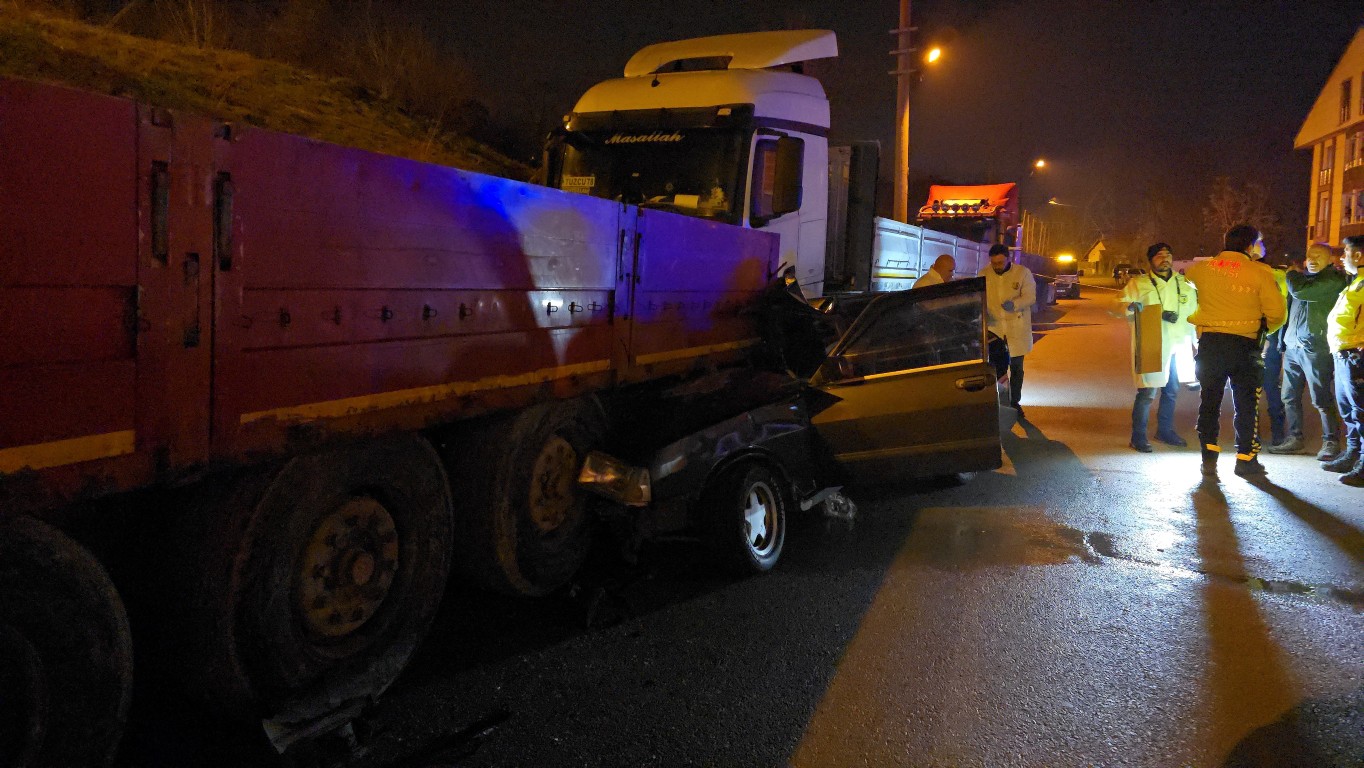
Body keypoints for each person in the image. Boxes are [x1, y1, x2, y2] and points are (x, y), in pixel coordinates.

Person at [1185, 225, 1287, 477]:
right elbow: (1277, 314)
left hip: (1210, 345)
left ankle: (1208, 458)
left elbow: (1189, 281)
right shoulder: (1261, 273)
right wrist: (1262, 330)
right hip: (1245, 346)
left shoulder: (1200, 269)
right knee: (1246, 404)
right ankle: (1245, 459)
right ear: (1250, 246)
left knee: (1209, 401)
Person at [1265, 243, 1347, 458]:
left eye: (1318, 256)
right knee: (1288, 396)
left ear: (1330, 260)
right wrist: (1283, 341)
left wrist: (1291, 273)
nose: (1312, 259)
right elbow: (1289, 311)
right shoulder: (1304, 279)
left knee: (1321, 397)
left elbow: (1300, 292)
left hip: (1316, 348)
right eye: (1310, 256)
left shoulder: (1332, 280)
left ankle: (1331, 441)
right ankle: (1294, 438)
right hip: (1293, 346)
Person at [1120, 243, 1198, 452]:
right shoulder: (1139, 284)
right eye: (1159, 256)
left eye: (1168, 255)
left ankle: (1165, 431)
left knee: (1172, 390)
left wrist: (1198, 344)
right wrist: (1139, 309)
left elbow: (1194, 314)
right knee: (1147, 392)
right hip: (1151, 344)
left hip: (1178, 345)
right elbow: (1119, 306)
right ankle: (1138, 437)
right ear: (1151, 260)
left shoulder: (1185, 283)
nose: (1165, 259)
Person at [1323, 235, 1364, 485]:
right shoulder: (1356, 283)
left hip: (1356, 355)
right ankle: (1353, 454)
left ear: (1358, 255)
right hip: (1343, 353)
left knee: (1361, 410)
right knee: (1348, 409)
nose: (1342, 257)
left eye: (1345, 252)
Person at [979, 243, 1036, 418]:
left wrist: (1015, 304)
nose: (997, 266)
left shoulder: (1022, 273)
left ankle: (1015, 402)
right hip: (994, 330)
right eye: (994, 263)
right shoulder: (984, 274)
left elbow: (1030, 297)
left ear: (1008, 259)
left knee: (1017, 368)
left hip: (1016, 328)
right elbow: (979, 297)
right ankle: (999, 403)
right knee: (997, 369)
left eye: (1000, 262)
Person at [1259, 254, 1290, 447]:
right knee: (1254, 391)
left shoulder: (1276, 279)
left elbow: (1278, 313)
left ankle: (1277, 432)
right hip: (1255, 341)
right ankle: (1253, 433)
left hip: (1267, 343)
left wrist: (1269, 339)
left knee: (1270, 388)